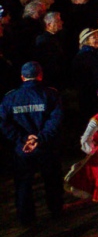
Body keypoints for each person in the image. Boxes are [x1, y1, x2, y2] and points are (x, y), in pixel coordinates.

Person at [1, 60, 65, 225]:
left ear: (22, 77)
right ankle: (56, 211)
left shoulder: (10, 98)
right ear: (40, 75)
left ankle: (26, 217)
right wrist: (40, 138)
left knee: (23, 183)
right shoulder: (51, 95)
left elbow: (4, 124)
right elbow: (55, 121)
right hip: (46, 147)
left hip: (22, 148)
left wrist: (22, 139)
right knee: (52, 180)